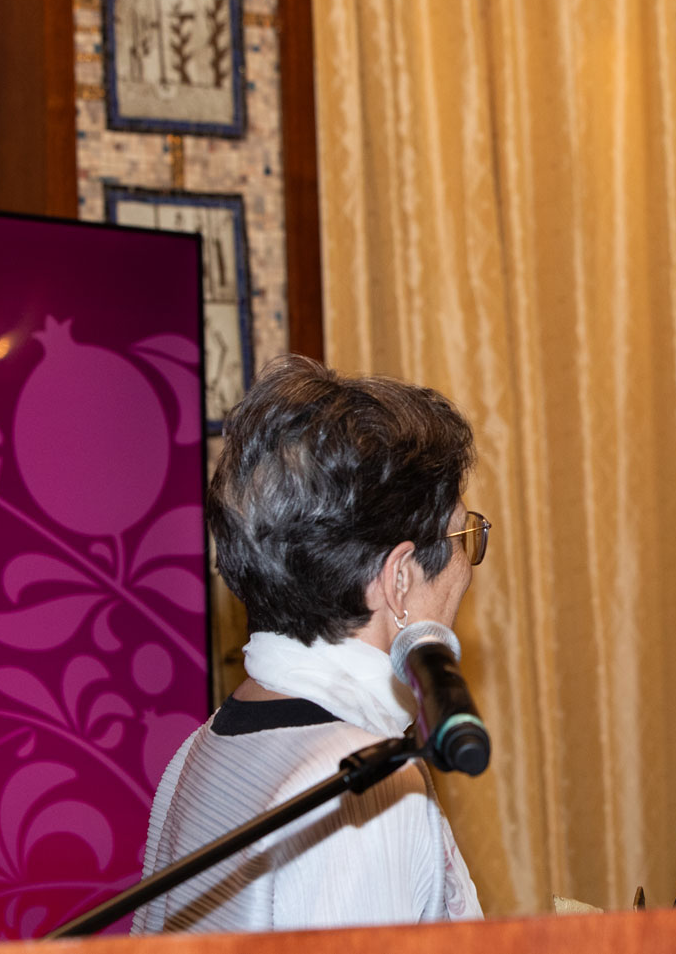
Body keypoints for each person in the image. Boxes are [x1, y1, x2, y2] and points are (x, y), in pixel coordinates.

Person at [132, 355, 489, 933]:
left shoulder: (200, 749)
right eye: (465, 533)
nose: (468, 568)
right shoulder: (366, 795)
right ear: (400, 579)